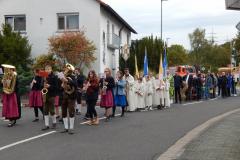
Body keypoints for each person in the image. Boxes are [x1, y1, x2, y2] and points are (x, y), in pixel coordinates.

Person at [59, 64, 77, 134]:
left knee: (71, 111)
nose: (65, 70)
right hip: (64, 96)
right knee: (63, 112)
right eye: (65, 69)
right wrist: (62, 84)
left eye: (67, 69)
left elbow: (75, 84)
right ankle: (66, 128)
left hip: (71, 96)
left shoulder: (73, 77)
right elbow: (60, 88)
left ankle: (71, 128)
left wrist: (67, 81)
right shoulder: (63, 77)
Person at [42, 65, 58, 131]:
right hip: (45, 95)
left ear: (51, 69)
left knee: (52, 110)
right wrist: (43, 85)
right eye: (46, 69)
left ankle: (54, 123)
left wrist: (49, 86)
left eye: (49, 69)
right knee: (45, 110)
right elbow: (40, 85)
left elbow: (56, 87)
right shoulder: (44, 77)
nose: (47, 71)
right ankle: (46, 125)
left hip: (51, 95)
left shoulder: (54, 77)